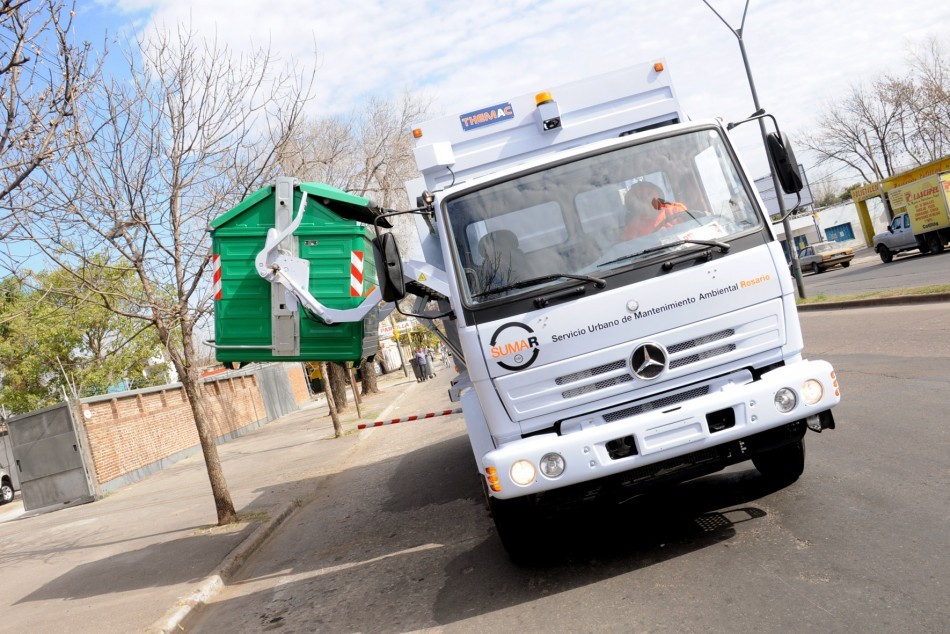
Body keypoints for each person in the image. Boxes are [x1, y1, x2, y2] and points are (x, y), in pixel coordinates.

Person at [621, 181, 691, 240]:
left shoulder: (676, 209)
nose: (647, 198)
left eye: (650, 194)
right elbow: (626, 250)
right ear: (632, 203)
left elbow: (692, 232)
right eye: (640, 196)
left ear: (659, 195)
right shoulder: (632, 227)